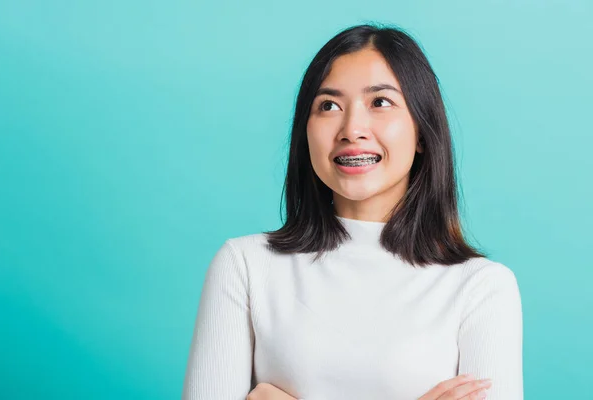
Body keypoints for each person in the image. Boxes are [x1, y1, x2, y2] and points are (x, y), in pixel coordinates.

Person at [182, 23, 523, 400]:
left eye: (380, 102)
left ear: (422, 132)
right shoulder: (244, 266)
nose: (352, 128)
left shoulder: (481, 287)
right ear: (305, 131)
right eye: (328, 105)